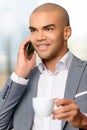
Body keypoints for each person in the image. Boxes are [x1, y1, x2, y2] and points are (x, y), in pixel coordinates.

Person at [0, 2, 87, 130]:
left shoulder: (84, 72)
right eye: (34, 30)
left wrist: (83, 121)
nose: (39, 37)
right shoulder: (23, 80)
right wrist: (19, 73)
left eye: (48, 29)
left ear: (66, 33)